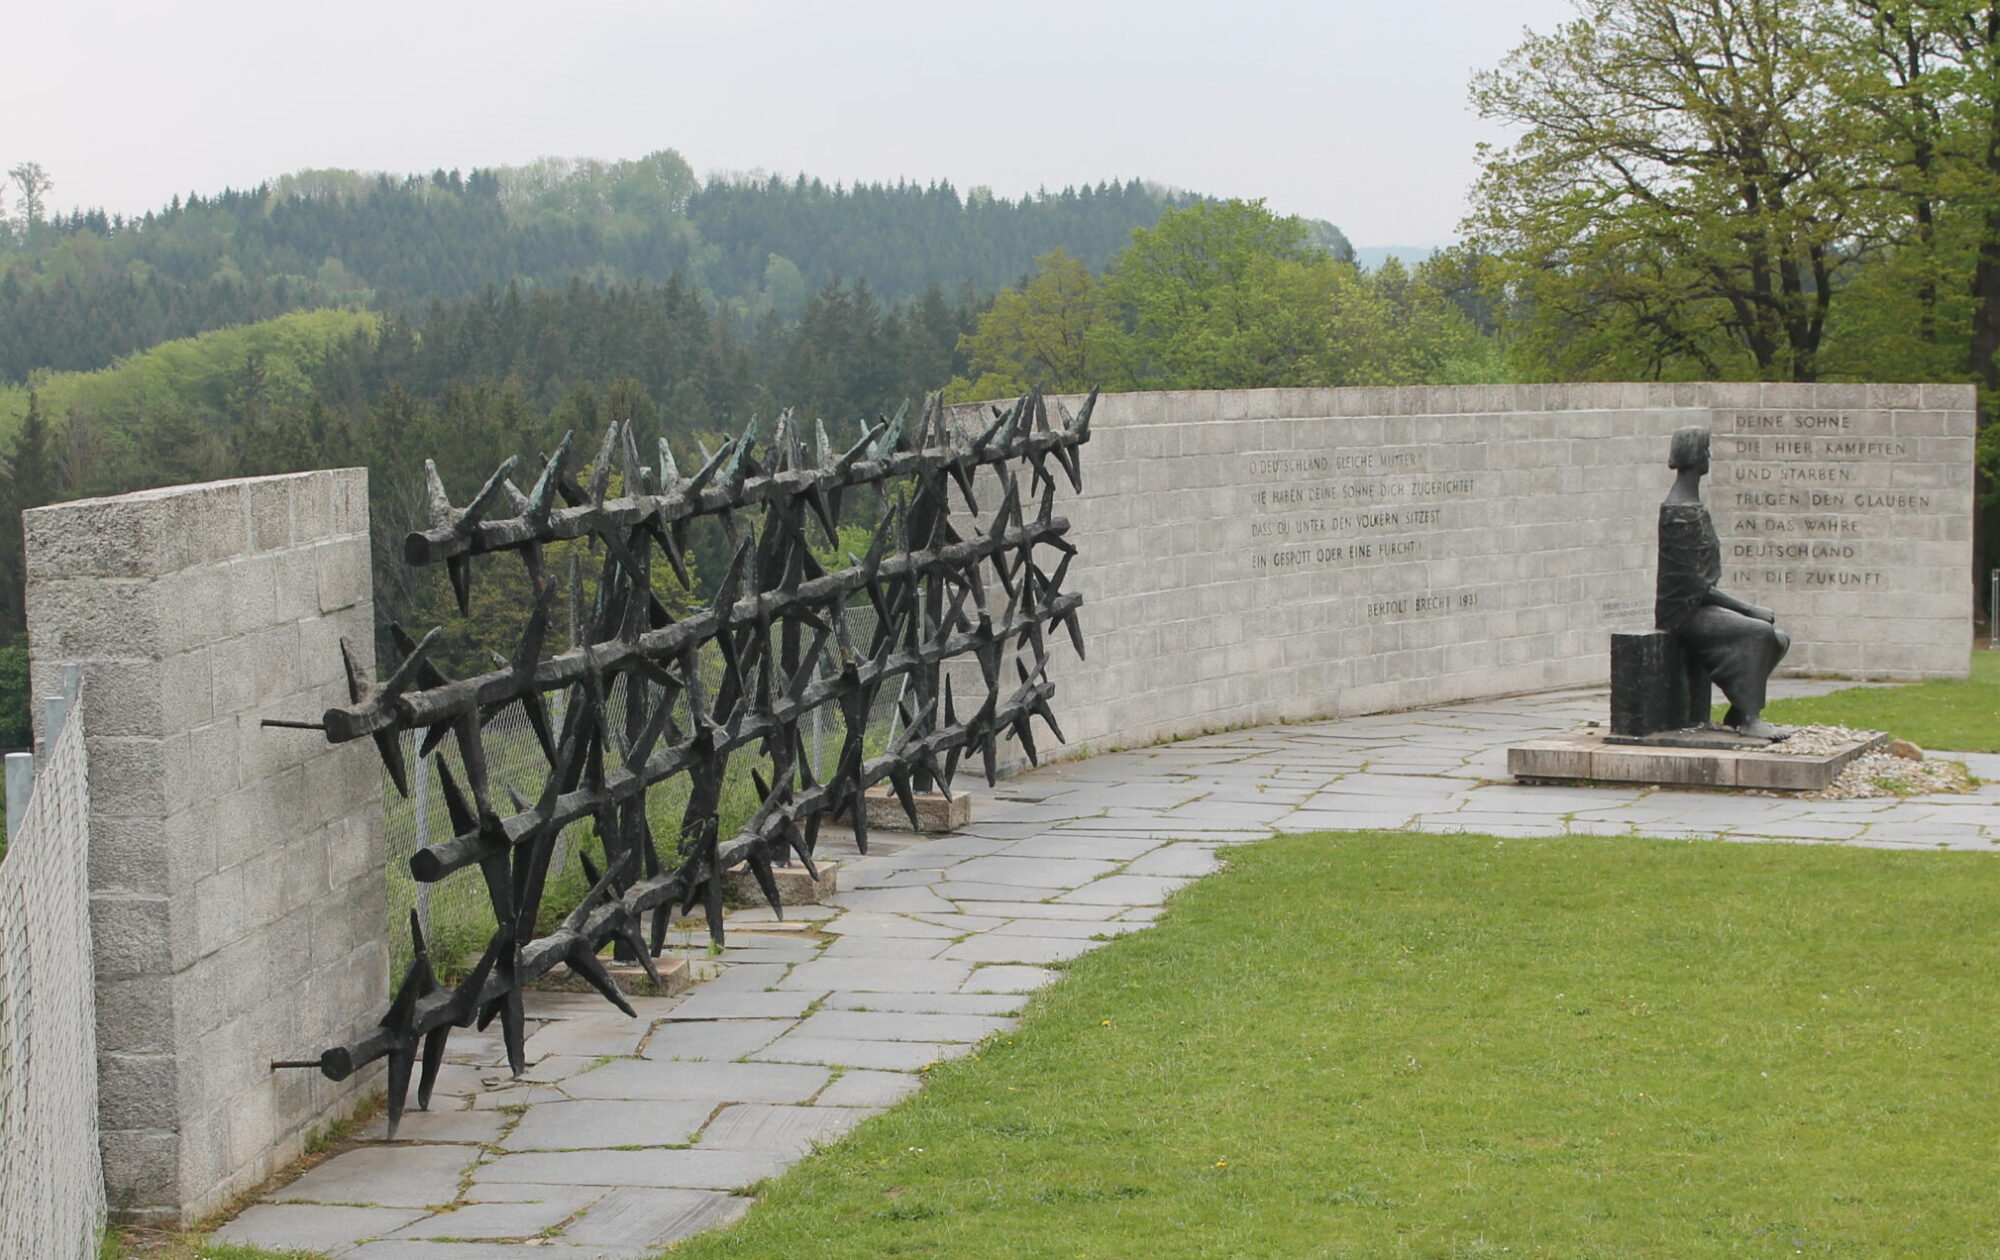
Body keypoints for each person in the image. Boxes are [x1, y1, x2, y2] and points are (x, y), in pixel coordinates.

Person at [1655, 426, 1791, 739]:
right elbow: (1694, 585)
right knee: (1760, 633)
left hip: (1698, 607)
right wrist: (1749, 609)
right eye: (1705, 450)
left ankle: (1738, 713)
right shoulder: (1680, 513)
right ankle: (1750, 720)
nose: (1709, 456)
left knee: (1779, 639)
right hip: (1683, 614)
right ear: (1695, 456)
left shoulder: (1691, 507)